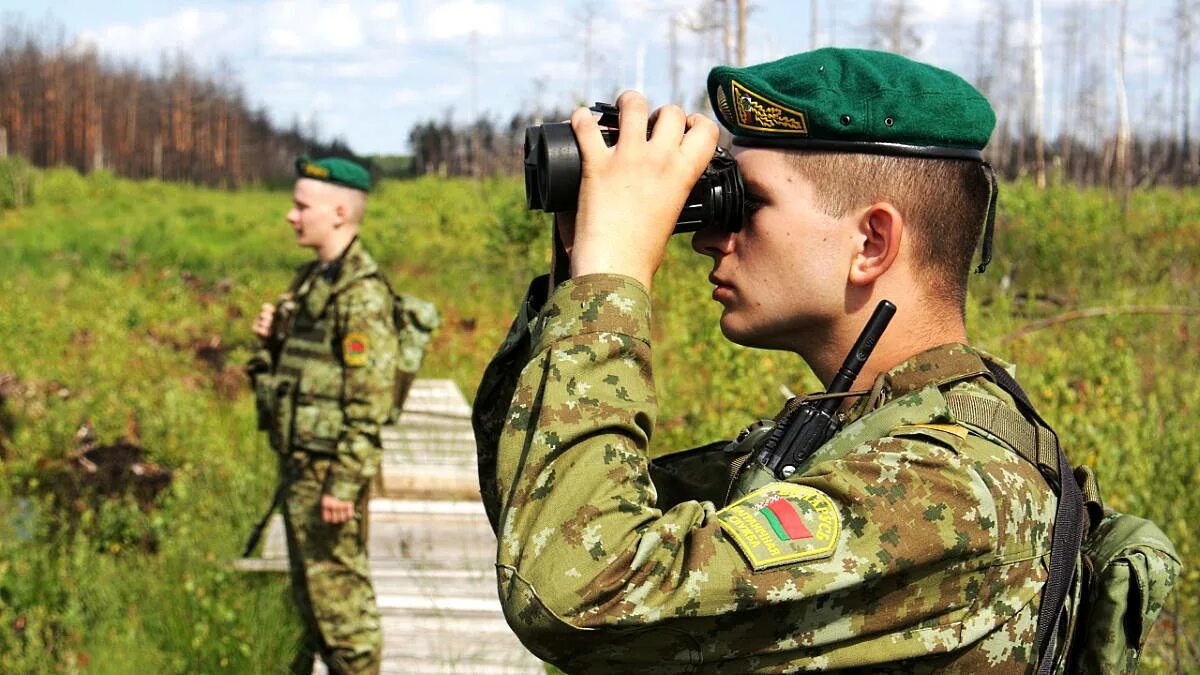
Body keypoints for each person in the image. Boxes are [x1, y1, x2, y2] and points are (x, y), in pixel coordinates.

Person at [472, 48, 1070, 672]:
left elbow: (584, 592)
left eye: (746, 203)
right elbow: (545, 517)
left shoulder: (947, 487)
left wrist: (612, 281)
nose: (707, 237)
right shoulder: (858, 431)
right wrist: (578, 270)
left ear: (871, 243)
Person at [247, 156, 394, 674]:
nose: (291, 216)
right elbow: (307, 370)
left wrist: (344, 482)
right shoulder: (314, 280)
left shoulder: (361, 295)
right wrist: (272, 341)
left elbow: (369, 399)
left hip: (328, 472)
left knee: (341, 604)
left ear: (337, 212)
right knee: (312, 598)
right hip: (302, 463)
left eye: (300, 206)